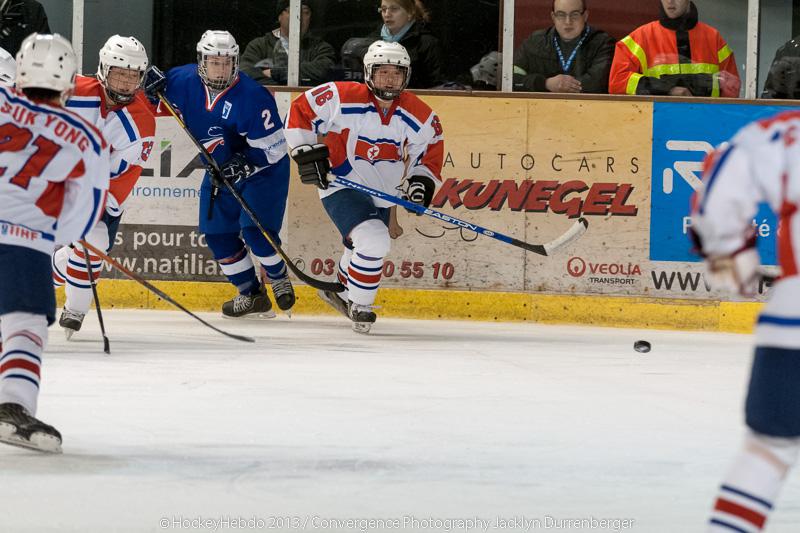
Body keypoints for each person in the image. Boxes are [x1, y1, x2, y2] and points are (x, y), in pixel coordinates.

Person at [284, 40, 444, 333]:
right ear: (368, 73)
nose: (390, 79)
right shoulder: (343, 96)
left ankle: (340, 292)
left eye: (397, 73)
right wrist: (305, 152)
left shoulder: (418, 113)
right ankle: (360, 305)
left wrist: (421, 181)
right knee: (374, 240)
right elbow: (300, 110)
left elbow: (430, 148)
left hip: (384, 191)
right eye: (383, 72)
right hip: (342, 184)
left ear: (406, 76)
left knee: (360, 245)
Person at [0, 33, 110, 453]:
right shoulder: (84, 136)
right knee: (23, 325)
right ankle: (12, 404)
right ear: (68, 83)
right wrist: (47, 237)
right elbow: (84, 213)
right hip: (24, 238)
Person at [690, 112, 800, 531]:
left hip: (794, 316)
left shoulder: (784, 132)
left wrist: (730, 254)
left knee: (768, 451)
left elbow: (719, 195)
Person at [143, 30, 294, 319]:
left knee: (256, 233)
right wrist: (146, 86)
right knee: (217, 234)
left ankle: (278, 277)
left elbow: (274, 150)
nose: (221, 68)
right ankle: (251, 295)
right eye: (215, 62)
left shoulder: (254, 96)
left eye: (227, 62)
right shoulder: (181, 80)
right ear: (202, 61)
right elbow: (153, 103)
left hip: (263, 172)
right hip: (219, 170)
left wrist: (244, 164)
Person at [50, 35, 155, 339]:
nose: (125, 83)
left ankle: (71, 304)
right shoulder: (70, 91)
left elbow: (124, 175)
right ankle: (57, 303)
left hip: (97, 190)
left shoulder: (141, 123)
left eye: (133, 76)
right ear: (103, 69)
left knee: (92, 243)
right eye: (119, 74)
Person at [608, 0, 740, 97]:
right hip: (657, 127)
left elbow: (732, 90)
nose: (670, 1)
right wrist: (668, 89)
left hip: (704, 127)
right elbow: (617, 82)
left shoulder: (714, 39)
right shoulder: (640, 38)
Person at [512, 0, 614, 94]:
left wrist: (563, 87)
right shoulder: (535, 42)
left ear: (585, 16)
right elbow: (511, 79)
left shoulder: (603, 44)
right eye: (561, 15)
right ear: (553, 17)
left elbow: (597, 84)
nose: (568, 22)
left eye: (574, 15)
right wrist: (545, 83)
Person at [239, 0, 335, 87]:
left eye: (306, 12)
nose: (300, 17)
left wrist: (276, 73)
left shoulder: (320, 47)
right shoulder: (259, 45)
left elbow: (325, 69)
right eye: (293, 10)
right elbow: (245, 72)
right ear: (280, 16)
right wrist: (282, 88)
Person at [367, 0, 444, 88]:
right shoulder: (372, 41)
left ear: (410, 13)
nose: (387, 14)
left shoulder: (427, 43)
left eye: (394, 9)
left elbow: (439, 87)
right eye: (384, 9)